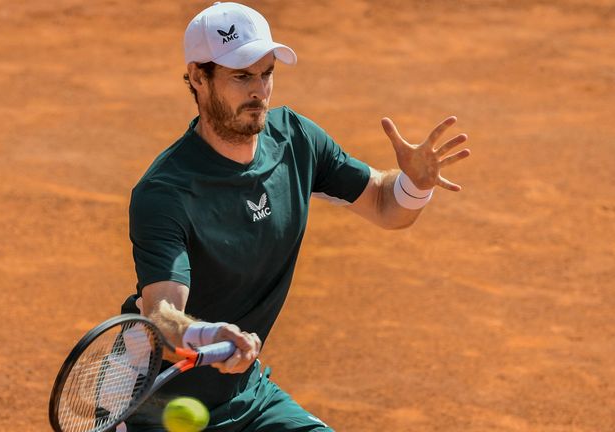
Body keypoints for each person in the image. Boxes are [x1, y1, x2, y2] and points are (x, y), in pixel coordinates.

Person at [126, 2, 470, 431]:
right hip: (151, 406)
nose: (258, 90)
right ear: (198, 76)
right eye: (240, 76)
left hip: (245, 396)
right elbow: (161, 314)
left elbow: (387, 206)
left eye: (266, 73)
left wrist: (414, 184)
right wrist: (209, 334)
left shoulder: (296, 141)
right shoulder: (165, 192)